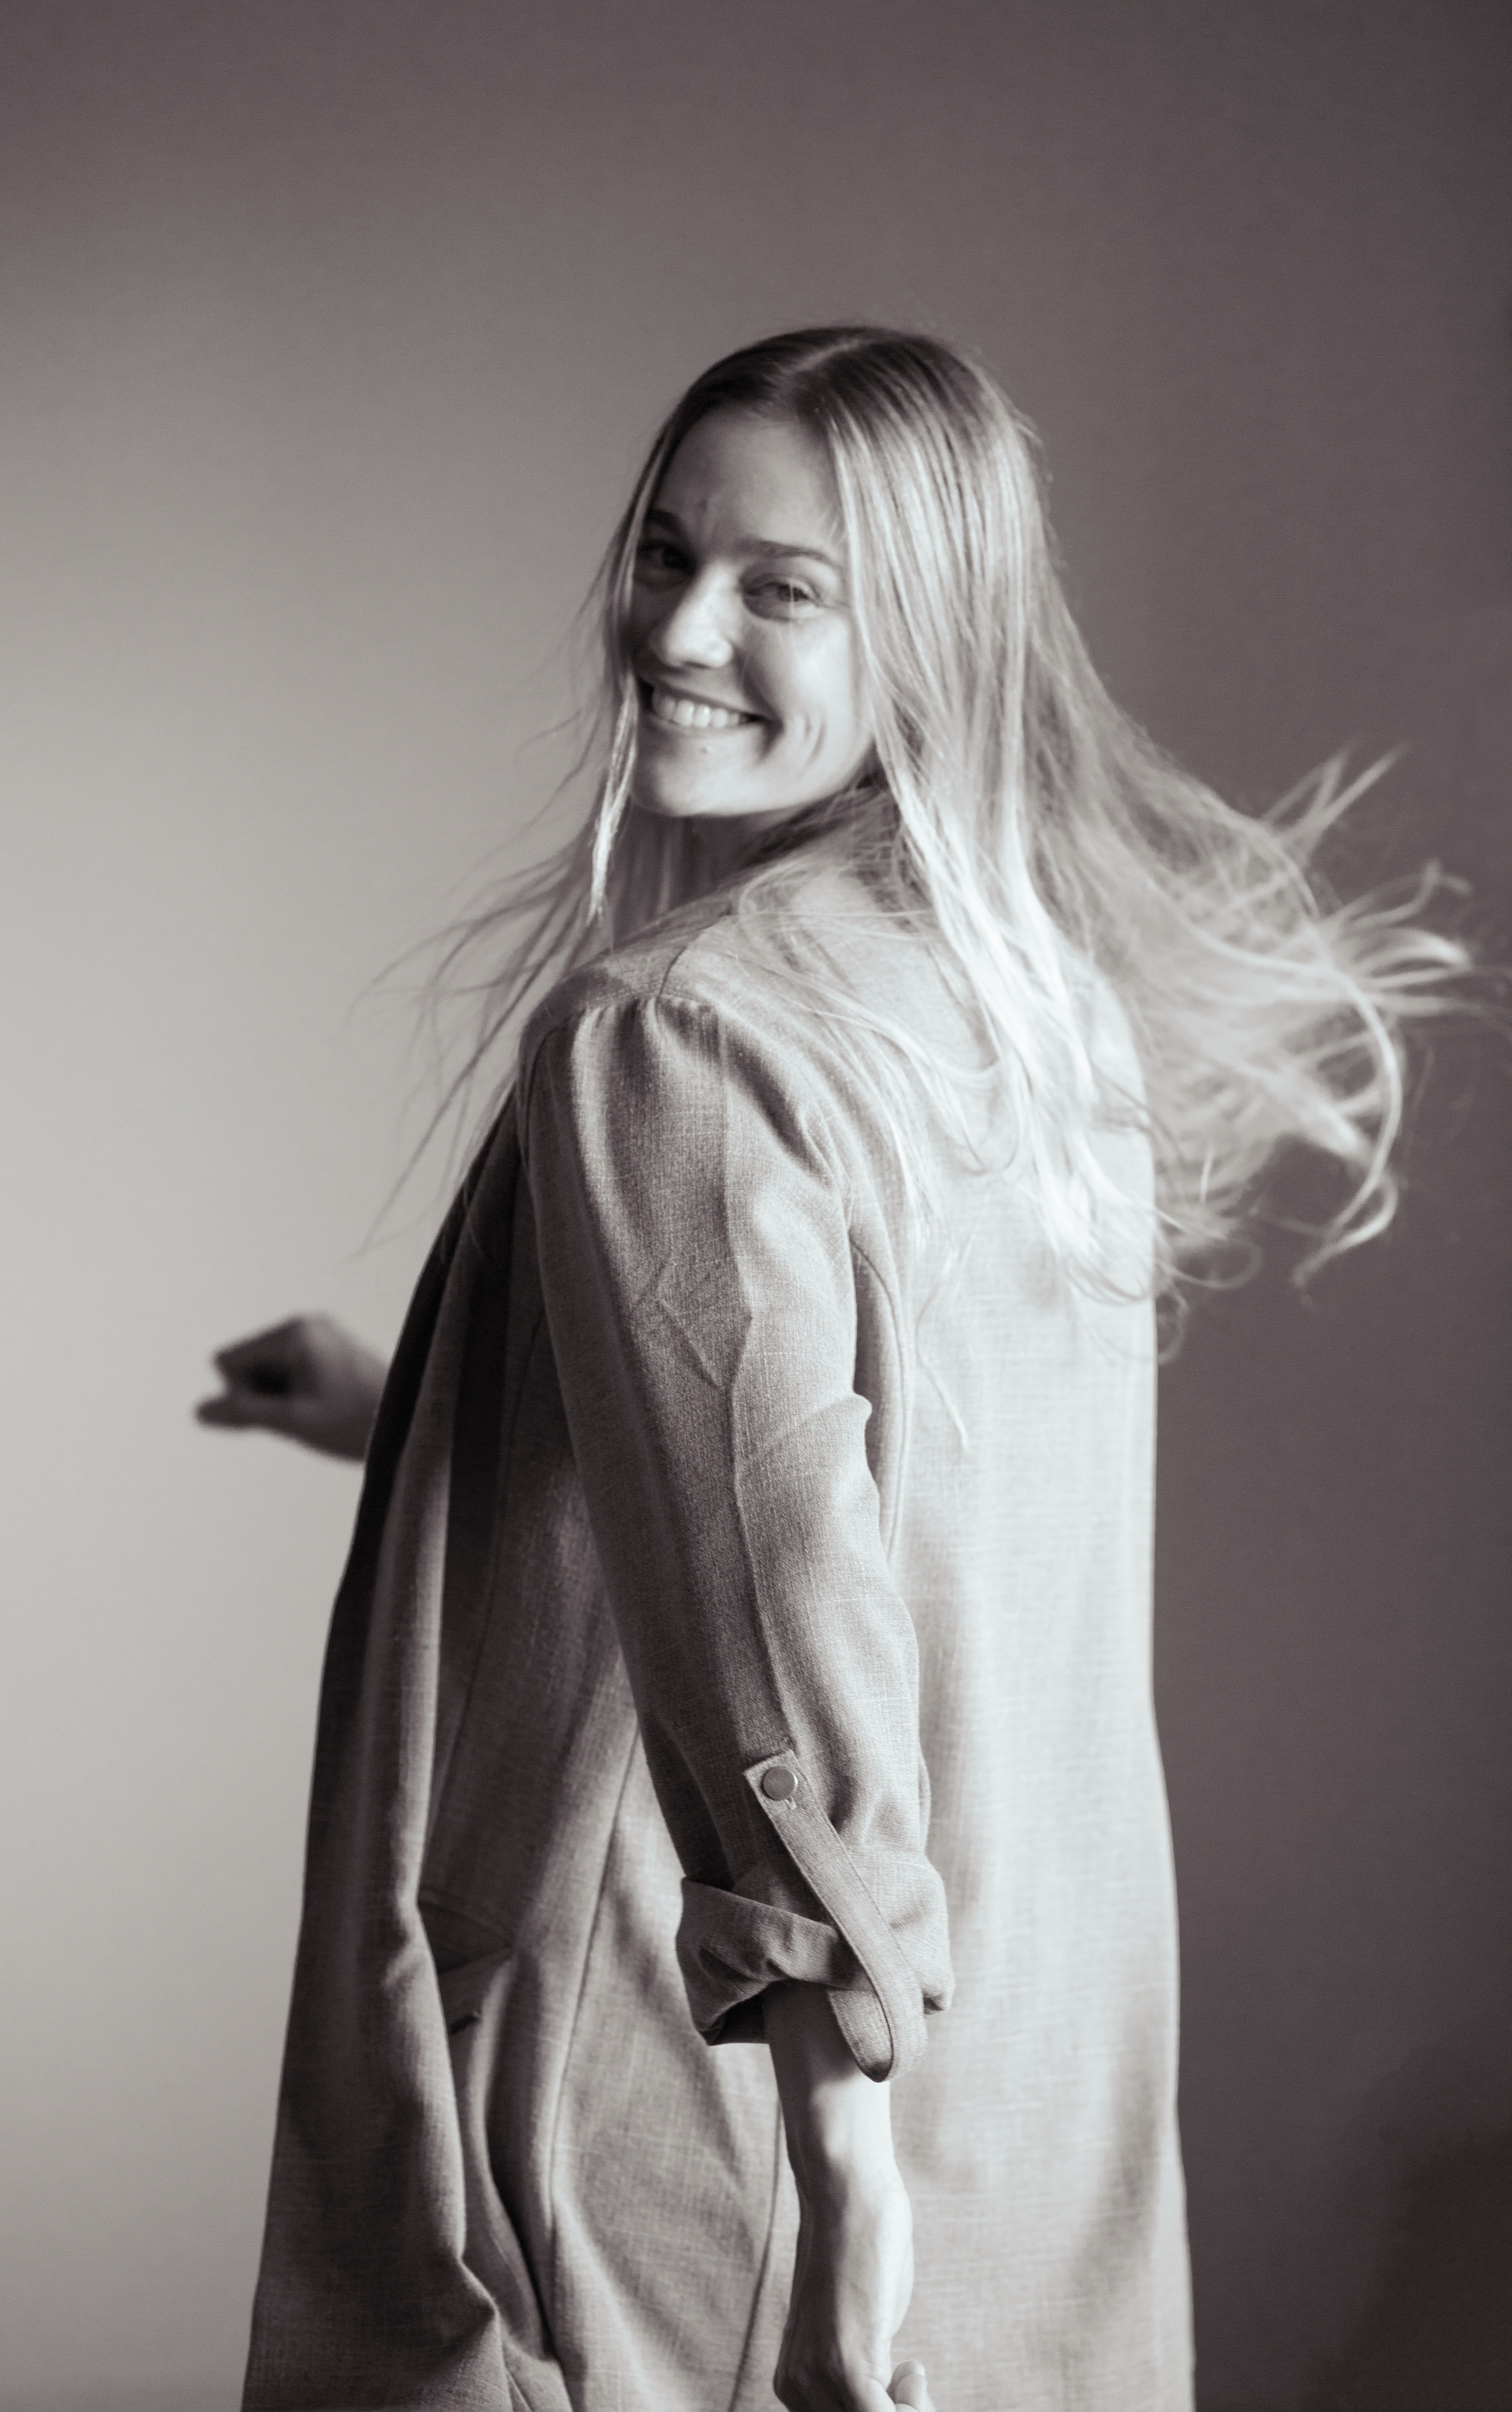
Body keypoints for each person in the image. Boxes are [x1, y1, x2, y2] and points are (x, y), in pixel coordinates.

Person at [206, 327, 1463, 2412]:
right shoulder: (1026, 1008)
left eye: (783, 586)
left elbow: (787, 1613)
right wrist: (417, 1409)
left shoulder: (672, 1033)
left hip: (707, 2141)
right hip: (1026, 2110)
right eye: (666, 554)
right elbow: (842, 1496)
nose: (681, 631)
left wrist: (837, 2185)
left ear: (933, 636)